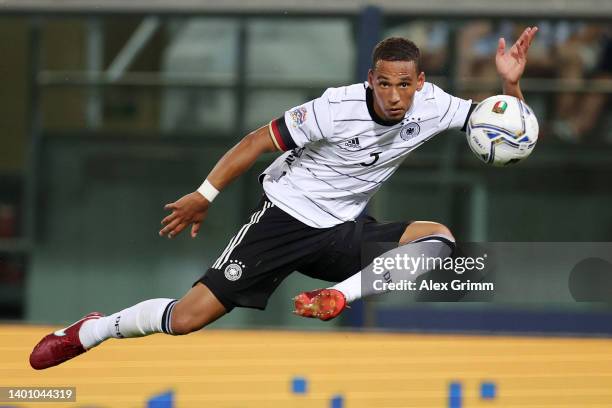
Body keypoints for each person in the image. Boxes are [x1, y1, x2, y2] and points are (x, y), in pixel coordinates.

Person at [29, 27, 538, 370]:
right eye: (384, 83)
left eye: (404, 84)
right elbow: (255, 142)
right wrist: (205, 193)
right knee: (186, 320)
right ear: (371, 80)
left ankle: (341, 296)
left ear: (420, 82)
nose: (394, 96)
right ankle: (95, 330)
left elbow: (499, 126)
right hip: (286, 219)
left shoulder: (434, 105)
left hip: (343, 230)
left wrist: (510, 85)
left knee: (440, 240)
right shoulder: (332, 108)